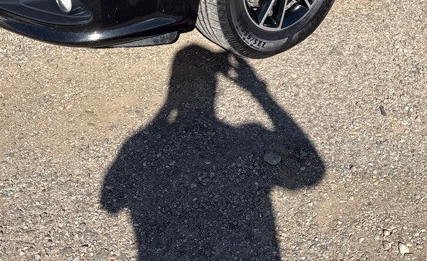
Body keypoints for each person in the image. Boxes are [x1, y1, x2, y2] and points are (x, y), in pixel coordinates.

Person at [101, 45, 325, 260]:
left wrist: (164, 112)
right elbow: (311, 172)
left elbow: (111, 202)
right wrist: (259, 93)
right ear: (215, 87)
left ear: (173, 87)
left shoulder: (140, 145)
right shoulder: (245, 139)